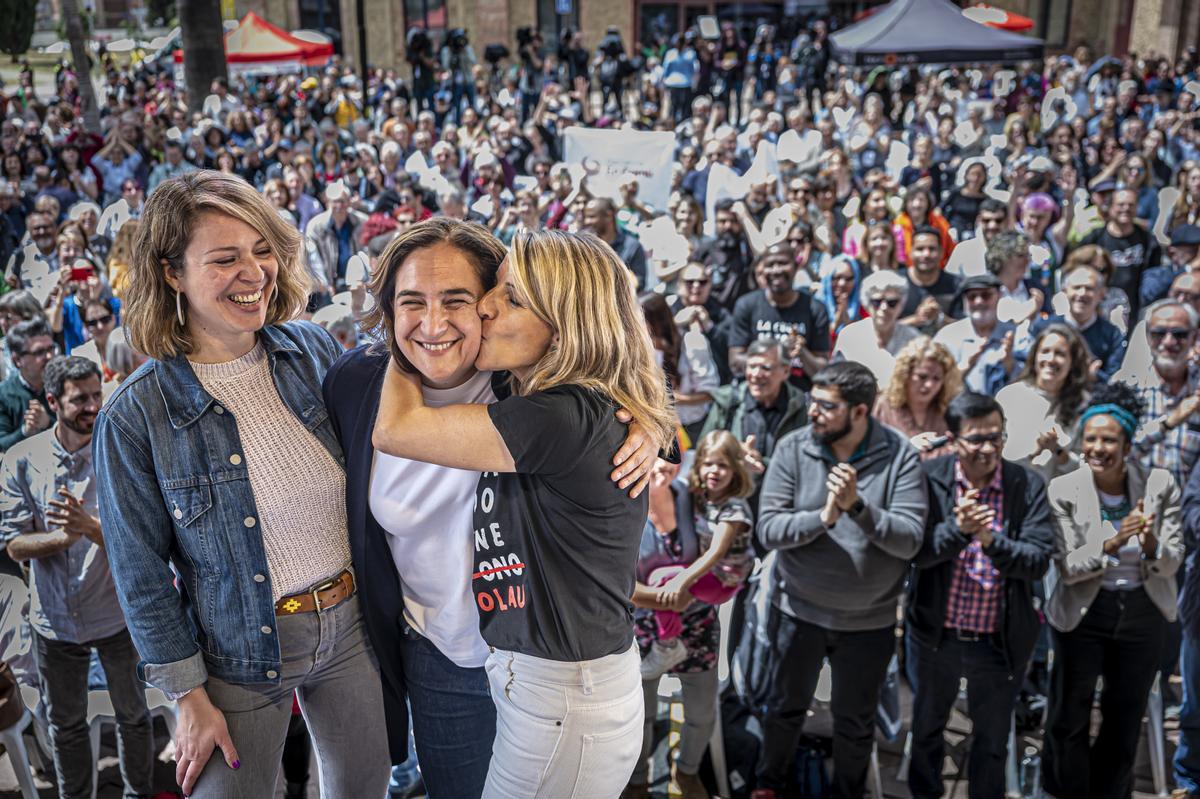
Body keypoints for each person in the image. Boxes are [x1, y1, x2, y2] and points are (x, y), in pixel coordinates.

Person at [323, 218, 658, 798]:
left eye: (465, 299)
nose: (443, 320)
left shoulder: (522, 387)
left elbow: (600, 395)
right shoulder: (356, 383)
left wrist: (653, 423)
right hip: (443, 655)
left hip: (550, 670)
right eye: (411, 303)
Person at [92, 171, 391, 797]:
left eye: (262, 251)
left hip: (351, 626)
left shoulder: (308, 348)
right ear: (172, 273)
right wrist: (188, 696)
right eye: (225, 259)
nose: (254, 273)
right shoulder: (135, 415)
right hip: (238, 653)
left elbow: (412, 390)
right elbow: (140, 574)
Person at [751, 361, 927, 799]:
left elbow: (910, 540)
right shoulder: (793, 448)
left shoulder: (900, 455)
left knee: (855, 722)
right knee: (784, 709)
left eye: (826, 407)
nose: (813, 412)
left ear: (860, 412)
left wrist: (858, 508)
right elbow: (769, 529)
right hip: (798, 611)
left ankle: (847, 792)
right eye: (813, 402)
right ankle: (769, 785)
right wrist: (824, 516)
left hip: (868, 622)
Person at [0, 355, 154, 799]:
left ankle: (138, 794)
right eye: (79, 399)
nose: (92, 406)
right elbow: (13, 544)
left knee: (133, 716)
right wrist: (60, 538)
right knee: (66, 726)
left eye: (95, 395)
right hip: (55, 621)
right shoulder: (22, 460)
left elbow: (143, 538)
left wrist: (90, 530)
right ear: (51, 401)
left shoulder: (120, 448)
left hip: (117, 615)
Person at [906, 392, 1055, 799]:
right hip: (937, 637)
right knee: (926, 732)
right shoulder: (929, 478)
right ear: (953, 440)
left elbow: (1038, 560)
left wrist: (989, 539)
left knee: (991, 743)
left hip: (999, 641)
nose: (987, 448)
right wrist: (958, 530)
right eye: (976, 439)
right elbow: (914, 551)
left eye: (996, 437)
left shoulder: (1025, 484)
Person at [1044, 383, 1184, 799]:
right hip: (1086, 611)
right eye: (1090, 439)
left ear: (1126, 446)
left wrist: (1148, 543)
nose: (1098, 448)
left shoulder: (1158, 484)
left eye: (1109, 439)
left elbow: (1172, 559)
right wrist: (1112, 542)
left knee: (1125, 717)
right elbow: (1068, 568)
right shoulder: (1064, 489)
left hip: (1142, 610)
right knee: (1069, 714)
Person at [628, 457, 723, 799]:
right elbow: (613, 580)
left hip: (697, 626)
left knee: (701, 713)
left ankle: (688, 772)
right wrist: (666, 601)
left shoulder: (691, 497)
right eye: (654, 464)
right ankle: (637, 780)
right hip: (643, 631)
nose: (660, 474)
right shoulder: (620, 503)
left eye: (670, 466)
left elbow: (724, 549)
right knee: (641, 716)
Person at [640, 430, 754, 679]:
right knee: (664, 582)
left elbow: (716, 551)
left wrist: (682, 581)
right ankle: (668, 639)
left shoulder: (733, 508)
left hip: (722, 579)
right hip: (707, 578)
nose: (714, 471)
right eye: (708, 464)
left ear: (735, 469)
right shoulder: (701, 496)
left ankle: (667, 645)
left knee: (663, 580)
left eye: (723, 465)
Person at [728, 240, 830, 388]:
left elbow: (822, 370)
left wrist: (802, 353)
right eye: (770, 265)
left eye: (782, 263)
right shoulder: (746, 305)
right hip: (755, 394)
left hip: (800, 397)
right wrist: (774, 359)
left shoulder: (815, 309)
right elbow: (735, 361)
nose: (776, 270)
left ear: (796, 267)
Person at [997, 323, 1091, 484]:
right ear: (1034, 356)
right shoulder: (1009, 396)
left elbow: (1085, 469)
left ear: (1072, 361)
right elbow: (996, 455)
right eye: (1045, 351)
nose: (1051, 359)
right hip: (1012, 492)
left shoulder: (1083, 405)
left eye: (1060, 354)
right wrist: (1035, 451)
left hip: (1057, 502)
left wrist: (1059, 451)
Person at [1028, 264, 1126, 383]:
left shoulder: (1112, 335)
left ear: (1101, 294)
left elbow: (1114, 378)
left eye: (1089, 288)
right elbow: (1028, 367)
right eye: (1076, 287)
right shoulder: (1043, 327)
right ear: (1064, 291)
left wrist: (1094, 376)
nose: (1082, 293)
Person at [873, 336, 961, 460]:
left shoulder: (947, 410)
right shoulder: (881, 407)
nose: (929, 385)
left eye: (936, 378)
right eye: (922, 376)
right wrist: (908, 447)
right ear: (905, 374)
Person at [832, 269, 921, 386]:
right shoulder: (849, 335)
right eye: (876, 302)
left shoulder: (914, 339)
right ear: (866, 304)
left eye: (892, 302)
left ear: (902, 305)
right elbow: (835, 378)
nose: (884, 308)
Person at [934, 274, 1016, 395]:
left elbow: (1031, 384)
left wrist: (1009, 363)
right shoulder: (946, 337)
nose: (978, 302)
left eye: (986, 295)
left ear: (999, 296)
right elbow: (934, 384)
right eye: (972, 297)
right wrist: (965, 365)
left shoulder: (1016, 335)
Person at [0, 318, 55, 452]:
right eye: (39, 352)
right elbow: (2, 443)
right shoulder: (3, 394)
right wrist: (25, 432)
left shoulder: (66, 384)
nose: (48, 356)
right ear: (17, 360)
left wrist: (49, 423)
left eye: (51, 349)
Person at [900, 226, 961, 337]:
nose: (926, 254)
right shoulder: (896, 283)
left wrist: (941, 319)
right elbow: (882, 328)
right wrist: (916, 319)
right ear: (910, 252)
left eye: (932, 249)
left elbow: (968, 328)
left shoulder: (956, 285)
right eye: (920, 249)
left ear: (942, 252)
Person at [583, 197, 648, 290]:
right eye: (586, 217)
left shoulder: (632, 246)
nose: (586, 221)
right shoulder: (585, 244)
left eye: (592, 217)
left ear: (609, 216)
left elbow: (639, 282)